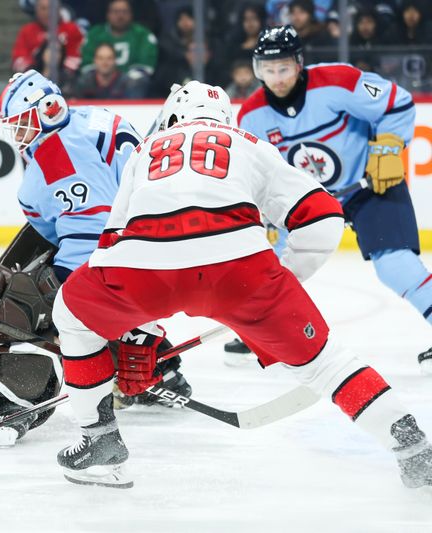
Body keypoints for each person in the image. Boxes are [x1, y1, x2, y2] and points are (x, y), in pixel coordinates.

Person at [50, 80, 432, 490]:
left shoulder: (145, 150)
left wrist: (135, 332)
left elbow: (110, 245)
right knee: (327, 363)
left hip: (145, 268)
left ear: (175, 115)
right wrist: (282, 283)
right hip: (241, 270)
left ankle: (99, 441)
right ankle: (413, 449)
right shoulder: (250, 142)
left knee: (70, 315)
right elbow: (322, 219)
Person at [0, 70, 192, 446]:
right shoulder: (84, 121)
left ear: (49, 110)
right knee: (19, 279)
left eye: (23, 124)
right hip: (151, 242)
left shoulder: (59, 153)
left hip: (132, 251)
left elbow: (91, 232)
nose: (18, 136)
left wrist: (51, 289)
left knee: (24, 306)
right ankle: (157, 364)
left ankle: (10, 397)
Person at [236, 25, 432, 374]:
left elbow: (397, 102)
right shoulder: (251, 116)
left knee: (395, 265)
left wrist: (387, 146)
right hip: (308, 201)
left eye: (283, 68)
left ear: (298, 64)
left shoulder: (337, 81)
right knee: (277, 269)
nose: (276, 78)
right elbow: (256, 170)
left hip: (368, 186)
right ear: (257, 70)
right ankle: (262, 331)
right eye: (267, 70)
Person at [79, 0, 158, 81]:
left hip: (131, 84)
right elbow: (87, 64)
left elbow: (144, 67)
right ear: (108, 14)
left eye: (125, 12)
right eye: (116, 12)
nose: (120, 16)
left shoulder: (142, 35)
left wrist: (122, 81)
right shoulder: (95, 34)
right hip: (99, 83)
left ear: (131, 14)